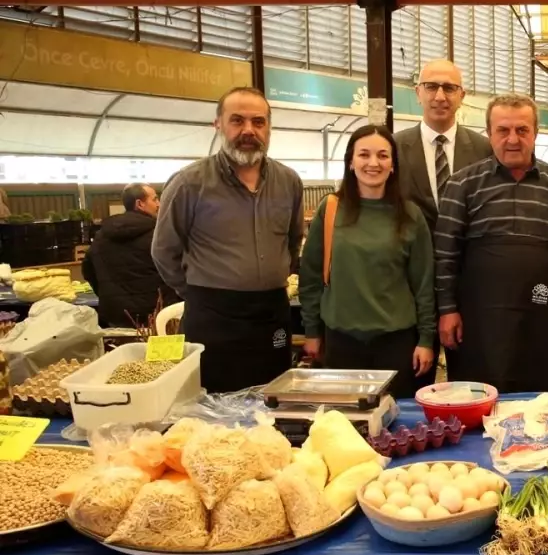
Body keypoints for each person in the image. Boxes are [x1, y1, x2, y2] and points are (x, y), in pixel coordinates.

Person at [153, 86, 303, 393]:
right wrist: (199, 291)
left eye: (258, 122)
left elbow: (292, 240)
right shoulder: (189, 183)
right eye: (237, 120)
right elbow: (164, 251)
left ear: (269, 127)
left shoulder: (289, 181)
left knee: (273, 397)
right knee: (213, 406)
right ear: (218, 124)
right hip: (213, 316)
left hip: (271, 312)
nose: (249, 130)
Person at [434, 94, 548, 392]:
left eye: (522, 130)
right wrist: (447, 310)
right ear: (489, 134)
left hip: (541, 313)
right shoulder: (462, 184)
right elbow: (445, 253)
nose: (513, 139)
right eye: (503, 130)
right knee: (477, 397)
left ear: (535, 133)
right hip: (479, 320)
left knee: (540, 400)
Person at [299, 126, 435, 398]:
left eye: (383, 155)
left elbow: (424, 283)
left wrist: (427, 339)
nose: (373, 163)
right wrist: (312, 331)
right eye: (364, 154)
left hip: (396, 343)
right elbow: (311, 276)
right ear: (351, 161)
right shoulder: (330, 209)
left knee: (397, 425)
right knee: (346, 424)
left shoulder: (410, 215)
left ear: (393, 165)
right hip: (341, 341)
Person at [395, 59, 492, 387]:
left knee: (469, 379)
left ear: (461, 95)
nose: (440, 95)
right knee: (413, 378)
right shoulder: (392, 149)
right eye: (431, 86)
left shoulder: (484, 149)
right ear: (417, 92)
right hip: (409, 284)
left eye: (449, 88)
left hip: (468, 284)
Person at [84, 183, 180, 328]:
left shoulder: (101, 237)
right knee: (163, 352)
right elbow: (178, 271)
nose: (159, 204)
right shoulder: (158, 235)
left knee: (126, 351)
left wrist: (110, 295)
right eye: (154, 199)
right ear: (140, 204)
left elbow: (88, 271)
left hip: (117, 319)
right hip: (158, 318)